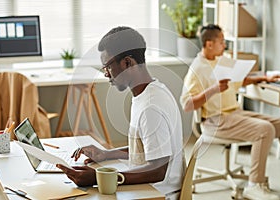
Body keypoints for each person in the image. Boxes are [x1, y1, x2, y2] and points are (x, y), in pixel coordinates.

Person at [57, 26, 185, 200]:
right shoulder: (151, 91)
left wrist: (98, 178)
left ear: (127, 63)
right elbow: (149, 151)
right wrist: (106, 154)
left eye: (107, 67)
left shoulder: (150, 107)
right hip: (149, 188)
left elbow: (157, 170)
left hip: (158, 194)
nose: (105, 74)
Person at [180, 24, 280, 200]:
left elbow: (239, 81)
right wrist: (213, 90)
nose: (224, 45)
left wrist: (264, 78)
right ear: (209, 44)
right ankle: (254, 186)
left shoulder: (221, 60)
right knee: (265, 129)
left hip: (235, 114)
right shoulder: (197, 68)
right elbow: (186, 104)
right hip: (215, 121)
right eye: (222, 42)